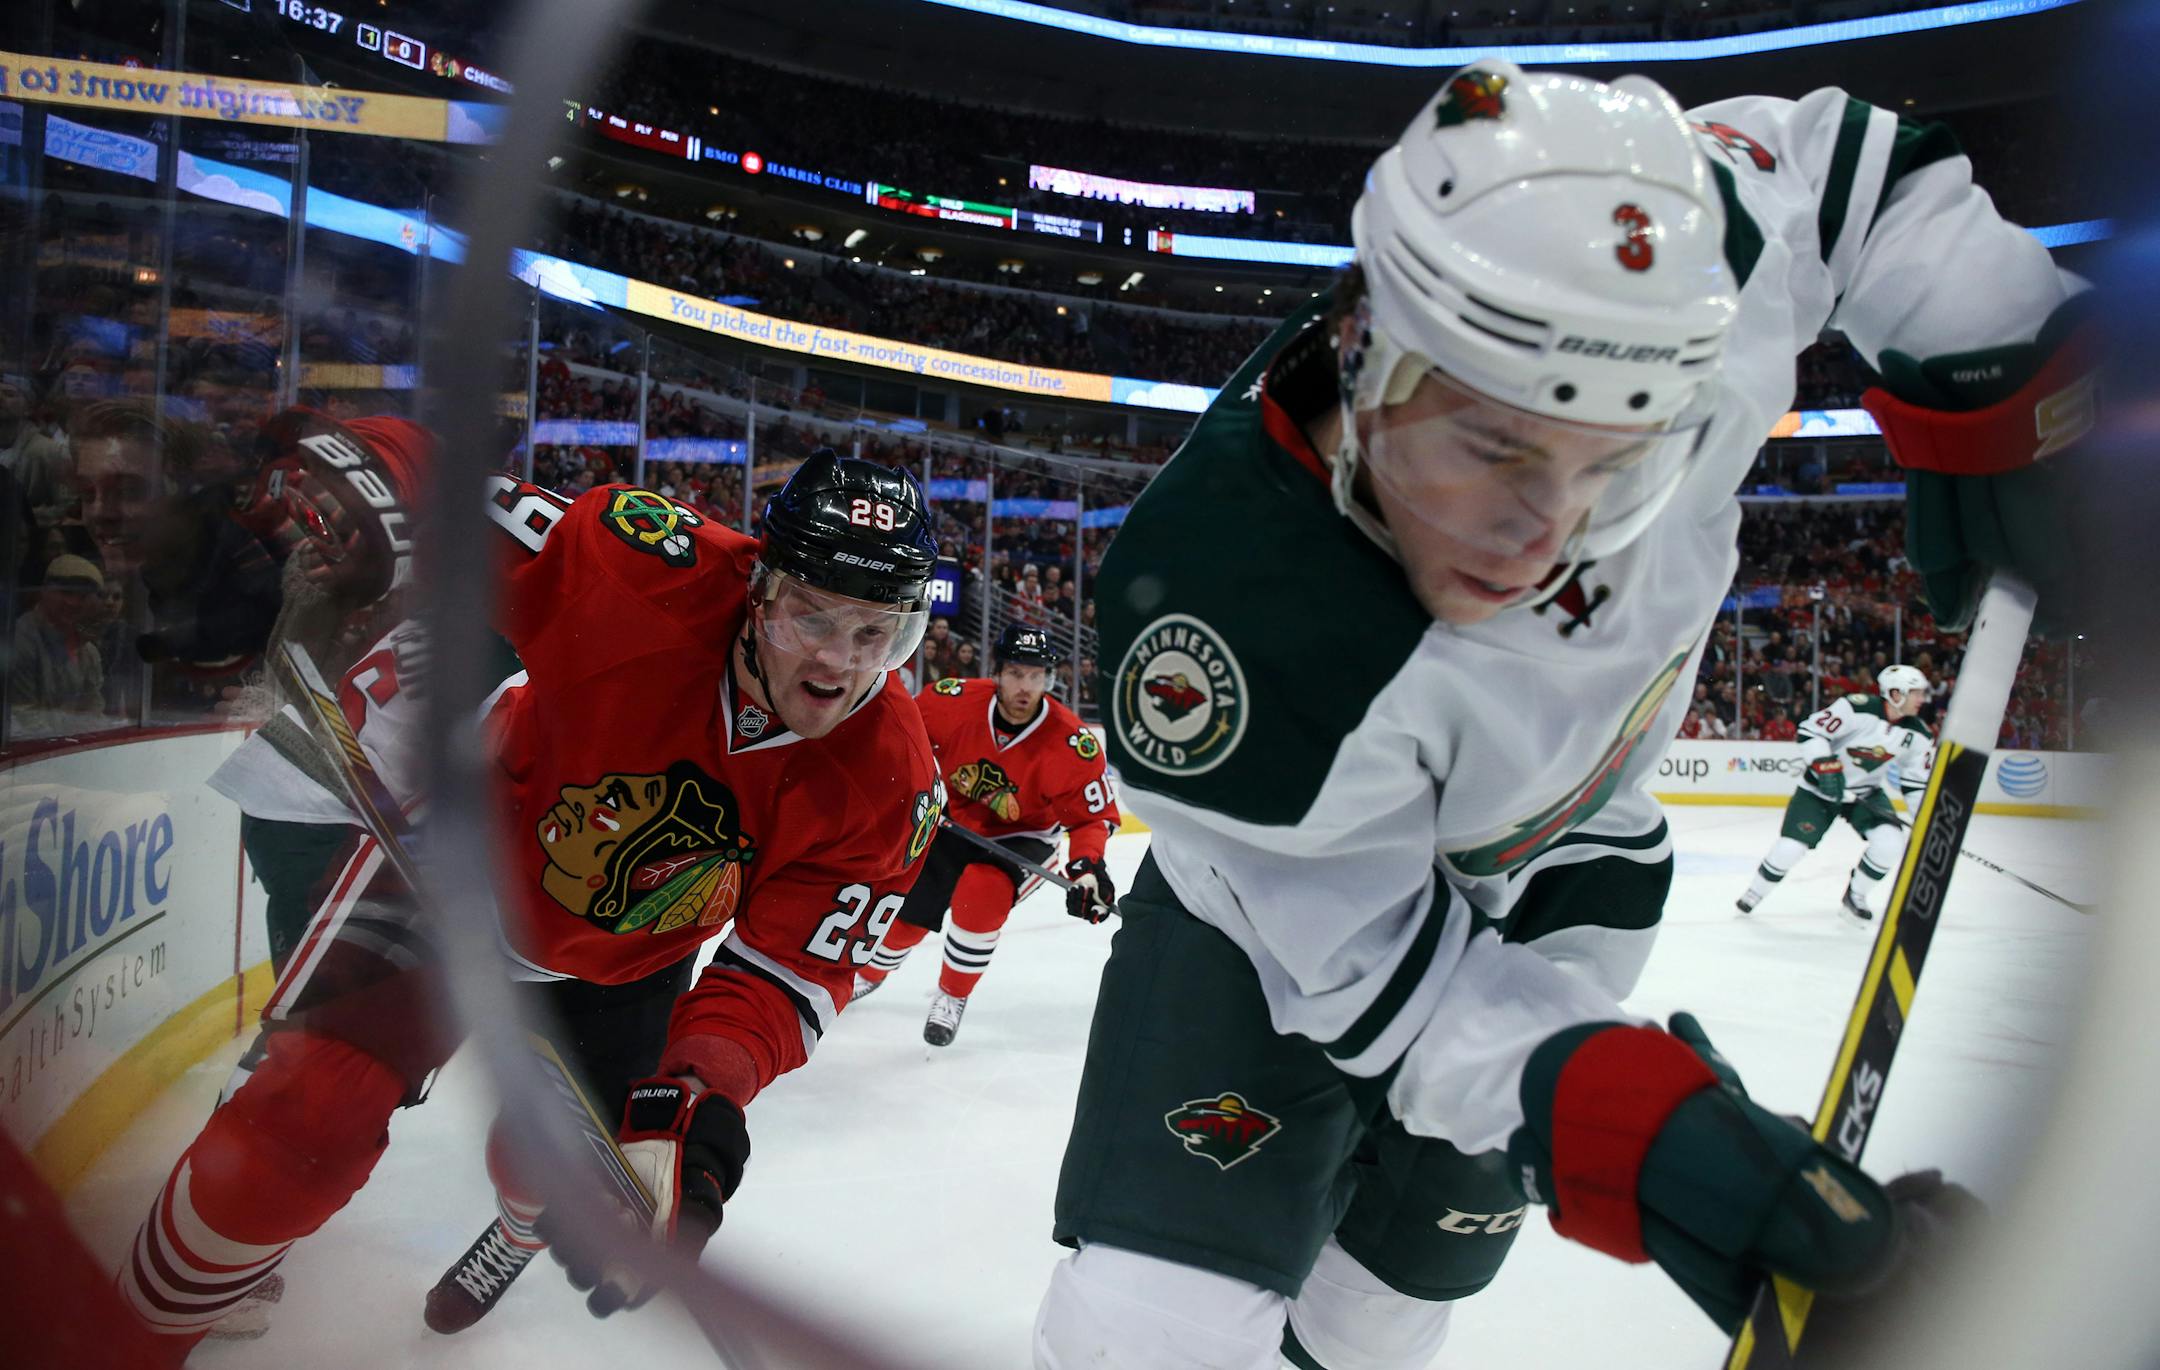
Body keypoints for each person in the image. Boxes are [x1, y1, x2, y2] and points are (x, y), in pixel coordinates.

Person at [1040, 61, 2083, 1369]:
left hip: (1571, 862)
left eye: (1618, 462)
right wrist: (1629, 1121)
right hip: (1268, 932)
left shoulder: (1686, 257)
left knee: (1379, 1322)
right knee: (1148, 1338)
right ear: (1369, 351)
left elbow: (1840, 170)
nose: (1550, 532)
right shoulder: (1226, 611)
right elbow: (1372, 975)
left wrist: (2011, 351)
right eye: (1495, 446)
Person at [115, 449, 946, 1358]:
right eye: (811, 617)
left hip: (635, 949)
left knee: (556, 1177)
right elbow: (445, 491)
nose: (837, 663)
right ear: (759, 588)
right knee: (306, 1115)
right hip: (464, 860)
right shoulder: (636, 566)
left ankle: (518, 1229)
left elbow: (785, 971)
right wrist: (360, 489)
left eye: (877, 634)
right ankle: (125, 1336)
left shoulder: (892, 782)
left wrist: (698, 1111)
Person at [856, 624, 1119, 1045]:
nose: (1026, 687)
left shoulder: (1070, 743)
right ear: (997, 672)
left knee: (982, 893)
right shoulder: (951, 702)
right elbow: (900, 741)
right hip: (951, 821)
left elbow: (1091, 818)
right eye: (1016, 673)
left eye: (1037, 676)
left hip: (1025, 838)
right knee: (908, 912)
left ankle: (951, 995)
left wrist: (1087, 868)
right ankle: (869, 973)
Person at [1737, 665, 1934, 924]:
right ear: (1895, 694)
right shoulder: (1856, 708)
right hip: (1819, 790)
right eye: (1916, 693)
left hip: (1865, 794)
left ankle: (1856, 896)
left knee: (1890, 843)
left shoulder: (1918, 734)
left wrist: (1926, 818)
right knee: (1790, 848)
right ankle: (1755, 892)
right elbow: (1810, 731)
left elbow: (1915, 783)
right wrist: (1826, 767)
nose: (1922, 700)